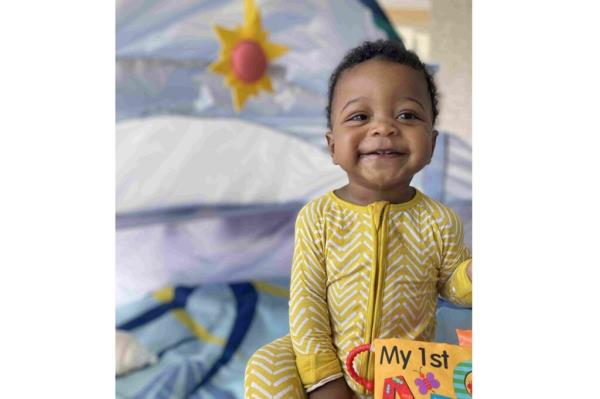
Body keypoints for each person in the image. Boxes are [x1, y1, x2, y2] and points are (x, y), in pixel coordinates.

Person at [244, 39, 472, 399]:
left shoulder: (439, 221)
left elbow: (453, 287)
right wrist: (326, 382)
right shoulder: (318, 217)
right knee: (265, 365)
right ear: (333, 145)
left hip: (404, 375)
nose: (383, 128)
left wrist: (471, 277)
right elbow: (307, 306)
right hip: (326, 359)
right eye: (360, 117)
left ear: (430, 143)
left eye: (407, 115)